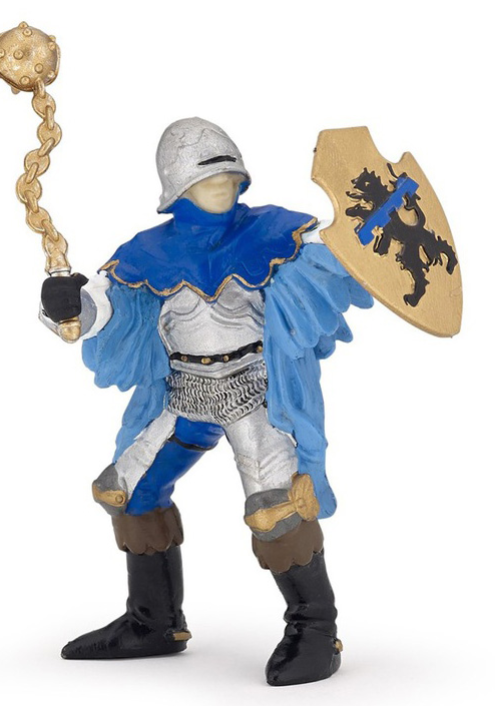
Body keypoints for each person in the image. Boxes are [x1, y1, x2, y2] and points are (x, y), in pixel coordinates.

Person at [40, 117, 373, 687]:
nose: (221, 185)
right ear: (177, 188)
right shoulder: (145, 253)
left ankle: (316, 629)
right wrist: (66, 304)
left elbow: (347, 250)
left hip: (256, 391)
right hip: (183, 391)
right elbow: (103, 306)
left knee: (275, 508)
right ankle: (154, 621)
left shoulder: (279, 233)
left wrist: (375, 223)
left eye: (228, 176)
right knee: (126, 491)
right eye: (205, 178)